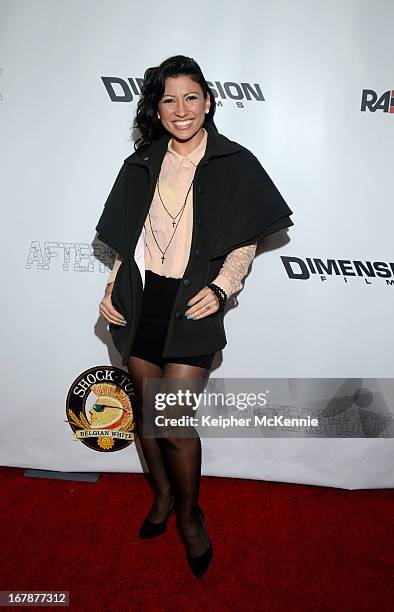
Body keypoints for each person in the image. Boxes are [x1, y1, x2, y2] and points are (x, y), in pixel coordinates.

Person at [96, 55, 294, 578]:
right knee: (146, 416)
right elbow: (130, 236)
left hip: (193, 303)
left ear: (208, 101)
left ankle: (189, 517)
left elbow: (246, 241)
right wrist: (113, 282)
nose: (180, 109)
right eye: (168, 99)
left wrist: (223, 287)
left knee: (176, 422)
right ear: (155, 109)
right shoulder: (142, 162)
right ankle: (161, 495)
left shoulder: (236, 163)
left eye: (191, 97)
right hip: (143, 302)